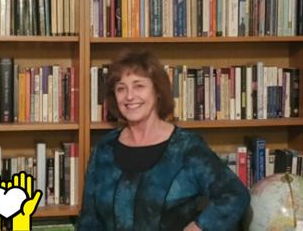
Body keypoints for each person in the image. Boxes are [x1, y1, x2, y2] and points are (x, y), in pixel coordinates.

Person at [77, 50, 250, 231]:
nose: (129, 96)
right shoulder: (104, 149)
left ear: (157, 91)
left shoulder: (187, 147)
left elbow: (234, 195)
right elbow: (89, 219)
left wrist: (199, 227)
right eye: (121, 88)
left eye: (139, 86)